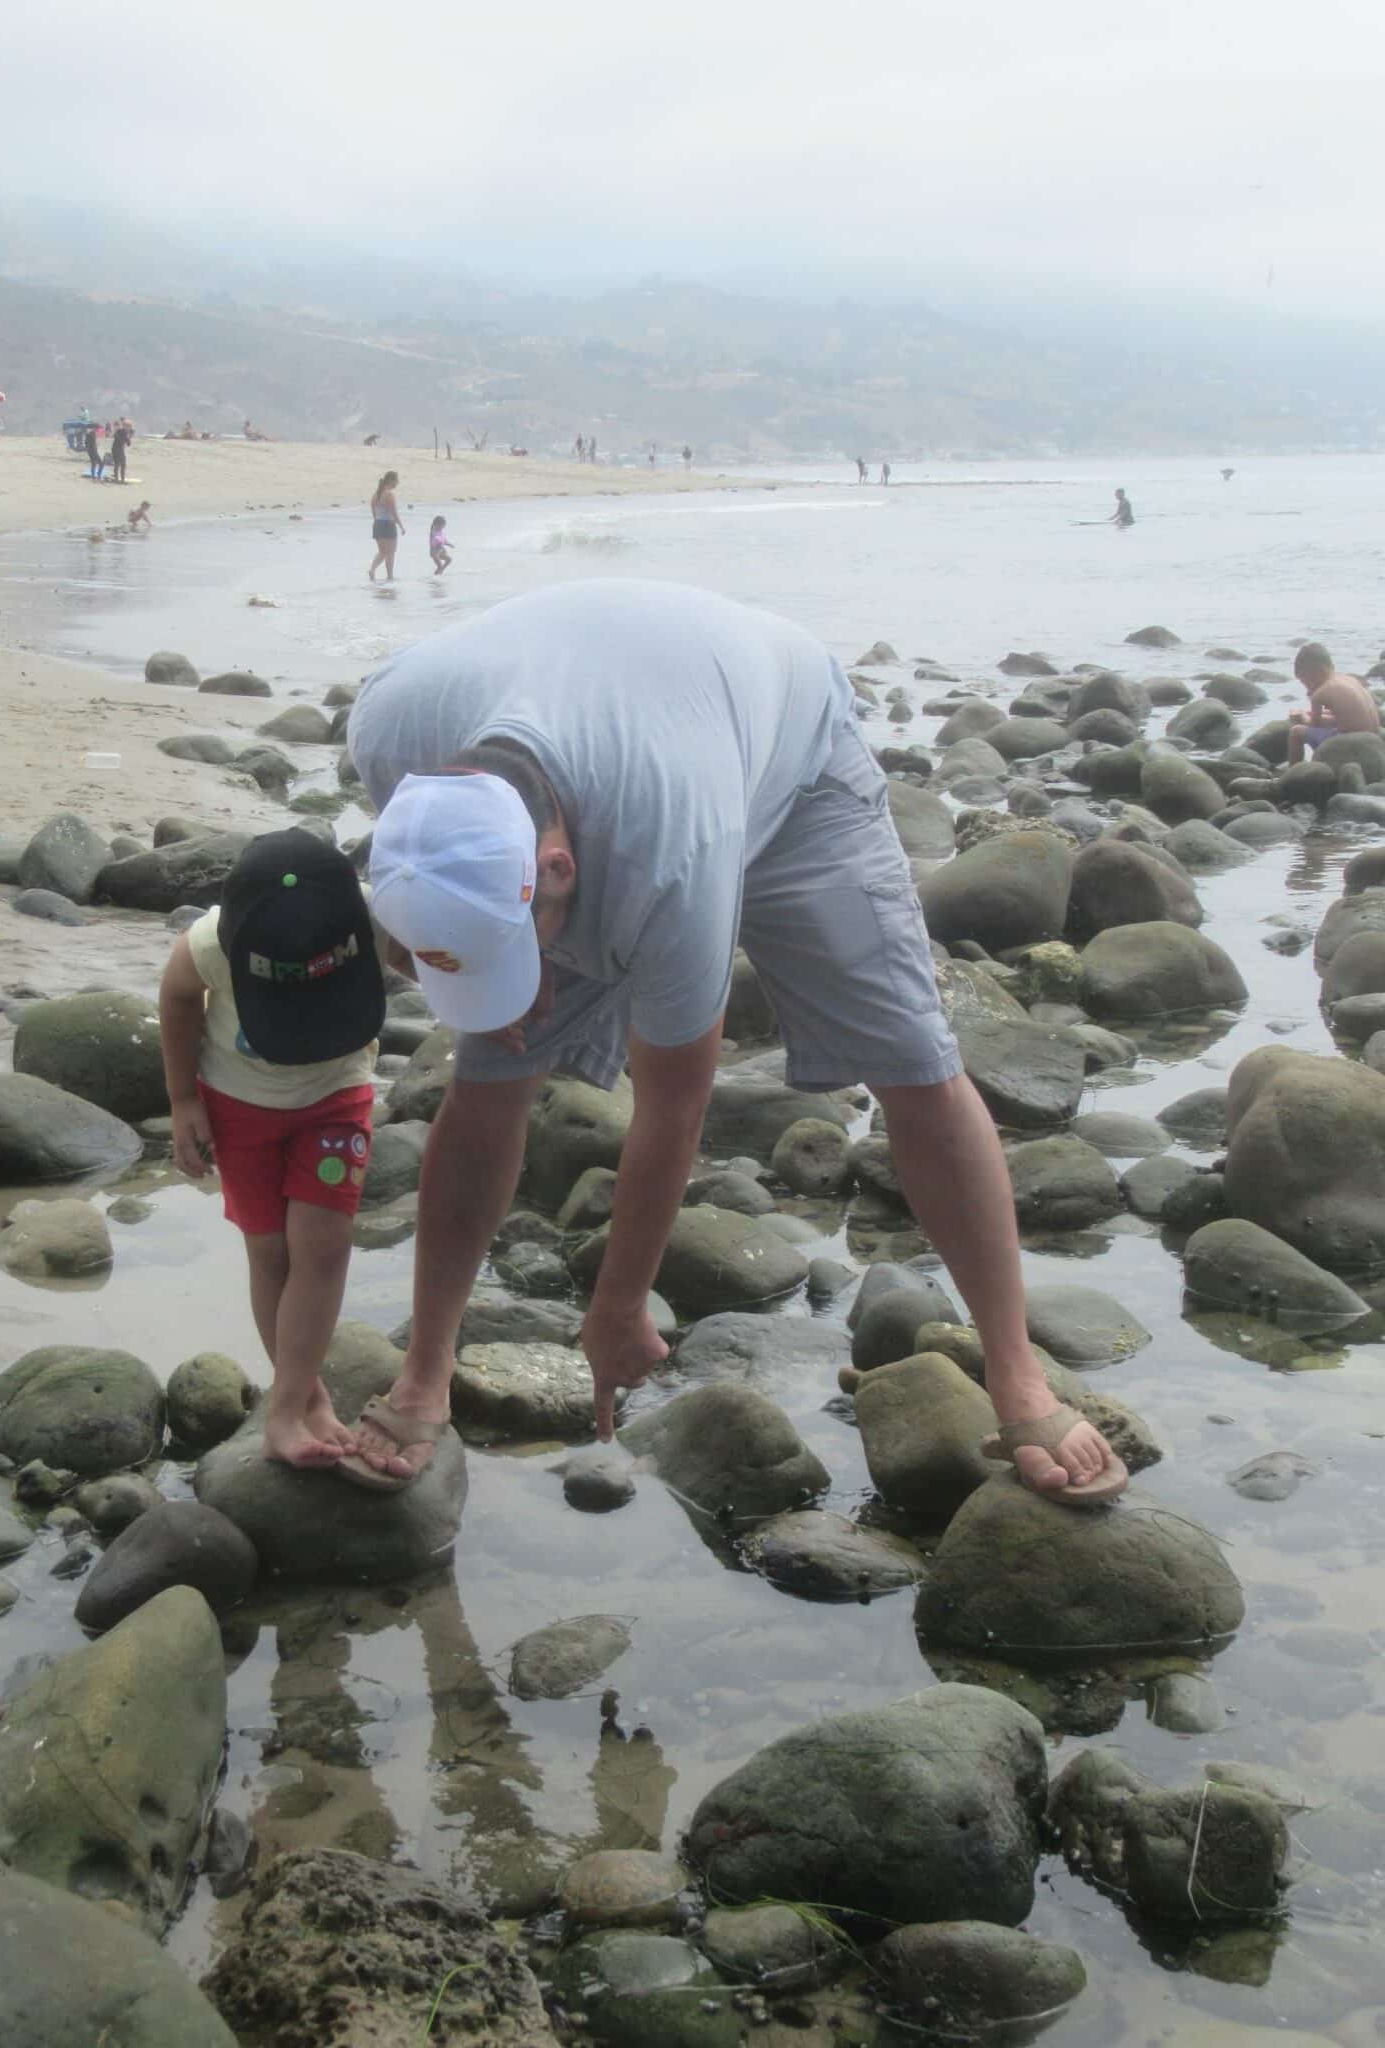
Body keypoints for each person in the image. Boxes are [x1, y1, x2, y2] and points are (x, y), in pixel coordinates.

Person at [345, 580, 1127, 1505]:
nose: (538, 965)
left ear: (557, 868)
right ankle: (423, 1374)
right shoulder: (395, 733)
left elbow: (675, 1103)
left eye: (532, 932)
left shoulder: (670, 850)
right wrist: (469, 961)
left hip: (786, 757)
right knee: (490, 1069)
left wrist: (620, 1307)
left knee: (913, 1064)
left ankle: (1017, 1375)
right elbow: (401, 915)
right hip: (634, 703)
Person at [158, 828, 388, 1472]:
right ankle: (306, 1398)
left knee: (323, 1245)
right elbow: (177, 997)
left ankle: (283, 1412)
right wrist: (182, 1101)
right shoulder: (210, 943)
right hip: (238, 1107)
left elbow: (425, 954)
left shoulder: (368, 915)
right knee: (269, 1253)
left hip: (337, 1096)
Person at [1287, 642, 1382, 762]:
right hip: (1373, 739)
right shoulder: (1349, 679)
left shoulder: (1320, 694)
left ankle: (1293, 773)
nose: (1306, 687)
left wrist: (1302, 716)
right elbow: (1345, 718)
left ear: (1316, 672)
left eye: (1304, 680)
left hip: (1351, 744)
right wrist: (1320, 716)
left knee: (1295, 732)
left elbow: (1314, 725)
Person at [369, 469, 404, 582]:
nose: (397, 483)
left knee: (382, 552)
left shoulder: (376, 494)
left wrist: (377, 522)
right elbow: (394, 513)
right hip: (388, 524)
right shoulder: (389, 494)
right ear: (391, 481)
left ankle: (372, 569)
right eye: (396, 481)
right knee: (391, 552)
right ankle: (390, 576)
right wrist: (401, 526)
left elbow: (373, 511)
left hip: (377, 524)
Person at [110, 420, 132, 484]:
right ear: (126, 426)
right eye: (129, 427)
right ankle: (122, 480)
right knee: (123, 464)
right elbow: (128, 443)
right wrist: (128, 440)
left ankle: (117, 479)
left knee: (117, 463)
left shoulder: (120, 431)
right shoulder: (123, 431)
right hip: (118, 449)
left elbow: (125, 441)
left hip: (115, 449)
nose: (130, 428)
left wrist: (127, 440)